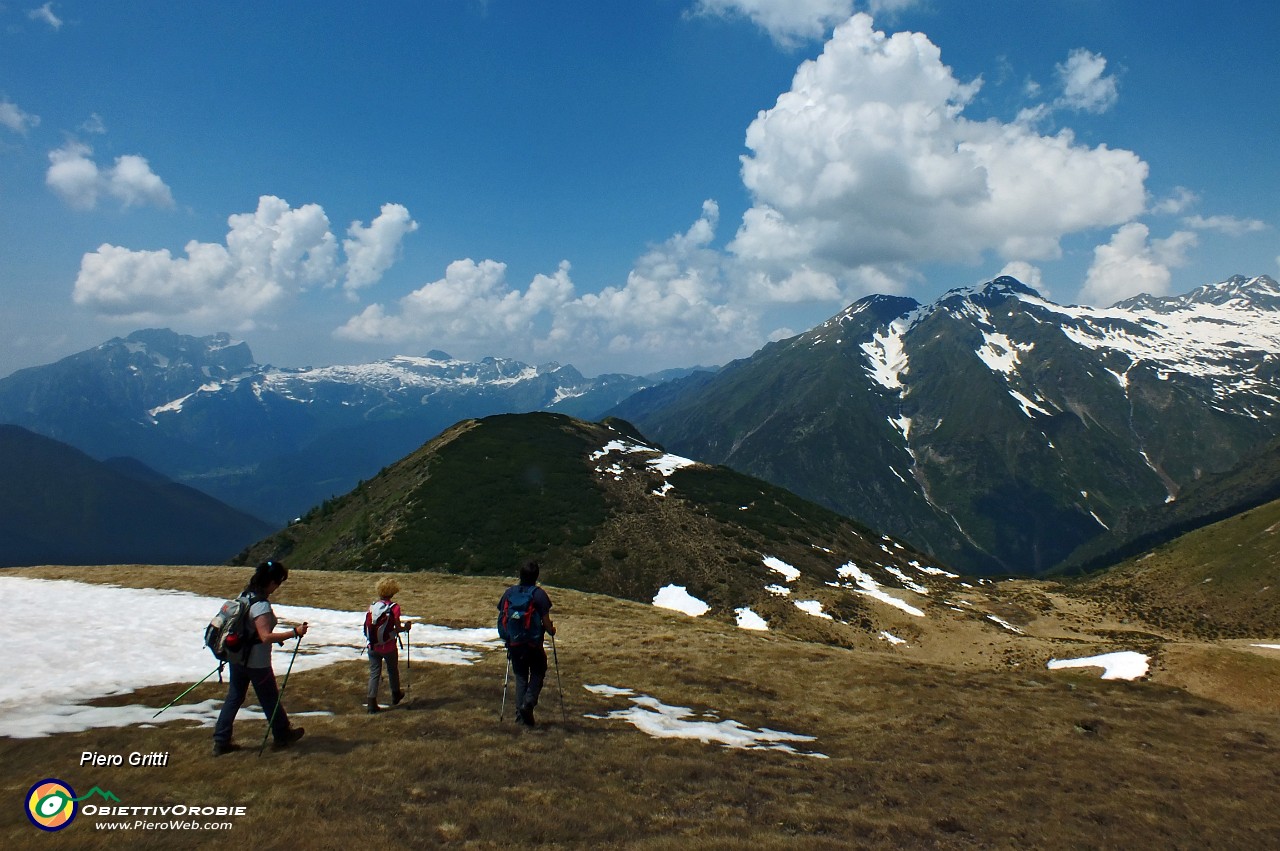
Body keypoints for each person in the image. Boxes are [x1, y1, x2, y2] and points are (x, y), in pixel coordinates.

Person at [212, 560, 309, 755]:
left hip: (238, 657)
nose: (277, 587)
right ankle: (282, 735)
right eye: (278, 582)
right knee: (269, 697)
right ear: (271, 581)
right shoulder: (261, 605)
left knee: (235, 696)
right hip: (257, 661)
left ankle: (221, 740)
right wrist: (294, 632)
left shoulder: (244, 596)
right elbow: (265, 637)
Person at [497, 559, 556, 727]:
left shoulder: (510, 593)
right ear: (536, 576)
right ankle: (528, 703)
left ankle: (520, 718)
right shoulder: (539, 595)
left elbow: (502, 616)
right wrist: (551, 630)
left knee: (521, 677)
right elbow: (546, 623)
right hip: (533, 644)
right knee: (539, 670)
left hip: (515, 644)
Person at [365, 577, 411, 713]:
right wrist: (406, 628)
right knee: (392, 669)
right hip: (388, 646)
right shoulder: (394, 608)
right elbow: (396, 628)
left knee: (374, 673)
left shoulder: (373, 606)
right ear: (392, 592)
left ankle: (371, 703)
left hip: (372, 646)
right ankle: (396, 694)